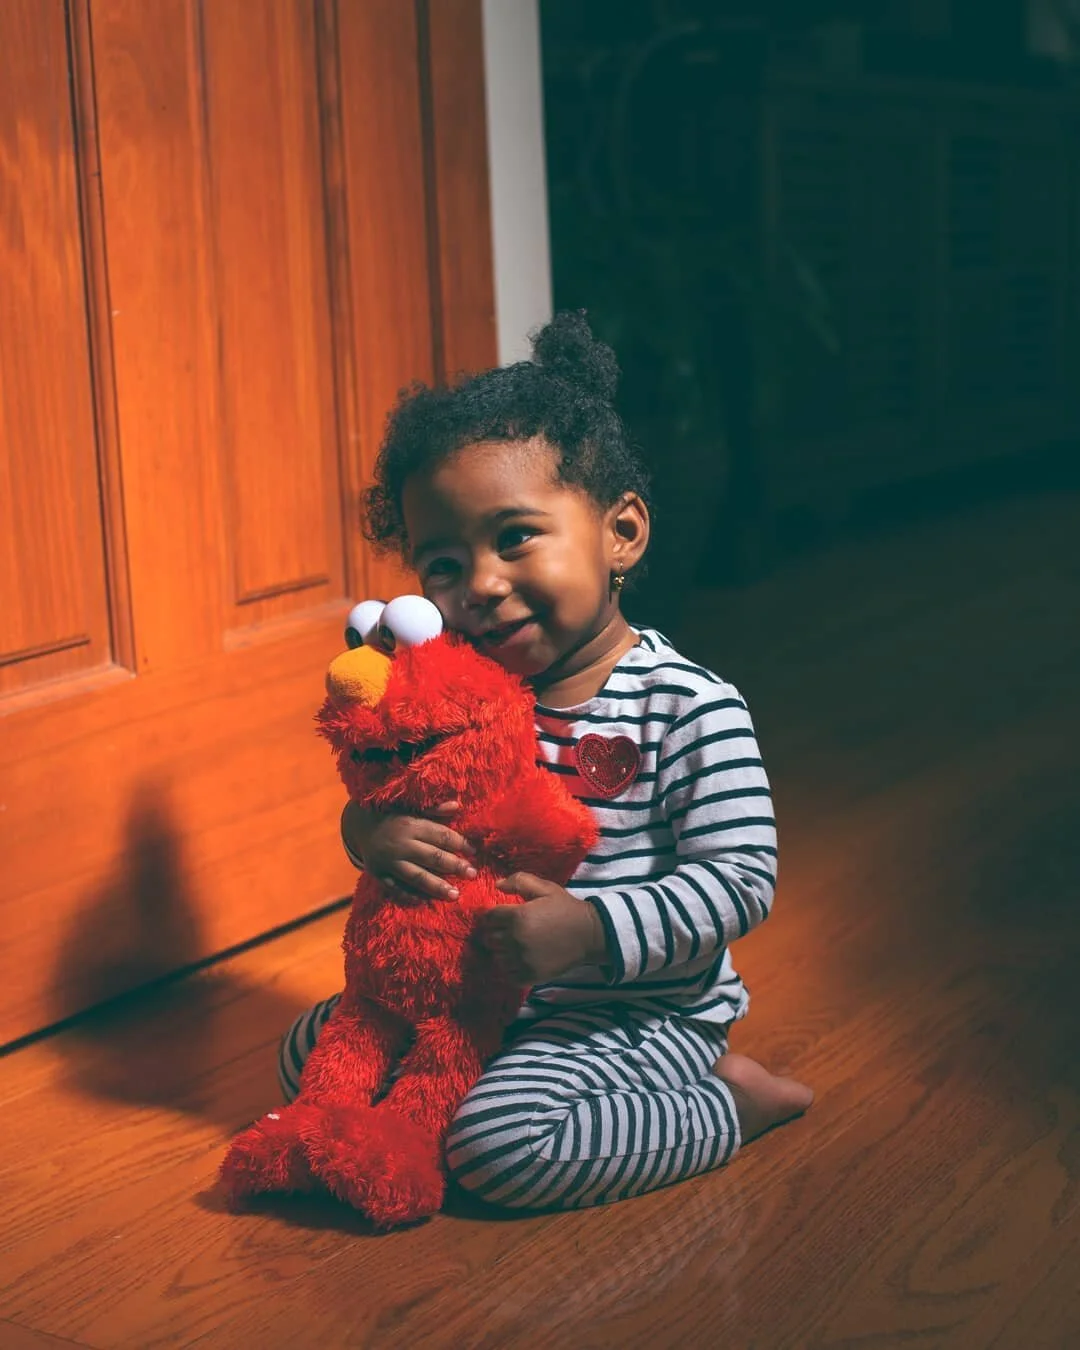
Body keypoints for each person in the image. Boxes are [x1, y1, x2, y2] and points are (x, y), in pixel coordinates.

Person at [279, 311, 812, 1210]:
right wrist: (369, 831)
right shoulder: (460, 696)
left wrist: (594, 930)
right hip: (474, 1001)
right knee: (306, 1049)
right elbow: (389, 786)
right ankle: (438, 1104)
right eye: (442, 564)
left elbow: (741, 879)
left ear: (622, 534)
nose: (480, 585)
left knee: (501, 1153)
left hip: (630, 1011)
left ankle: (727, 1103)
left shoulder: (687, 704)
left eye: (516, 538)